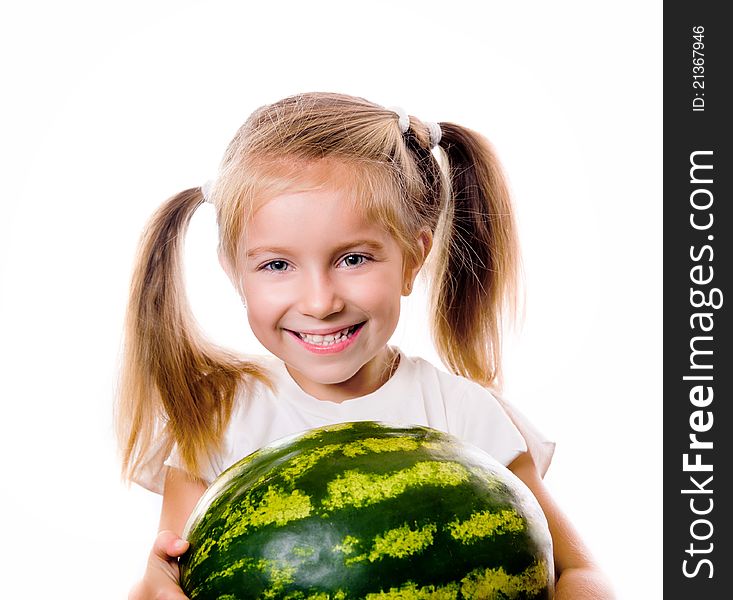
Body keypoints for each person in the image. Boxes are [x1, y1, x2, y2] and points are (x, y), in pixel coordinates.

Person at [116, 92, 614, 599]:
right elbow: (167, 583)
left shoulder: (465, 414)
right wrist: (153, 586)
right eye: (277, 265)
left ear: (413, 259)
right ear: (233, 272)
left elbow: (581, 574)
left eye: (353, 259)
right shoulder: (215, 418)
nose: (320, 301)